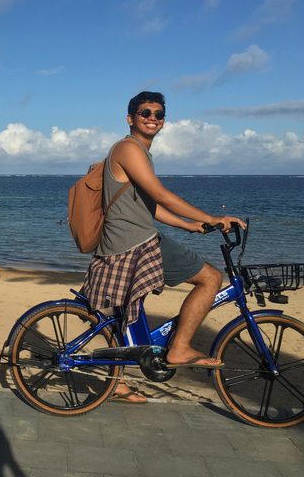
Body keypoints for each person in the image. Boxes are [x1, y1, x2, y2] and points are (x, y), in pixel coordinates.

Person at [83, 91, 245, 403]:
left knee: (125, 316)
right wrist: (212, 216)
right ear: (131, 119)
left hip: (128, 240)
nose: (153, 118)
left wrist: (190, 225)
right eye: (145, 112)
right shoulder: (128, 148)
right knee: (211, 278)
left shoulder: (138, 153)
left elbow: (147, 204)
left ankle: (115, 382)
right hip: (134, 243)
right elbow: (160, 194)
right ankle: (180, 348)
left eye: (159, 114)